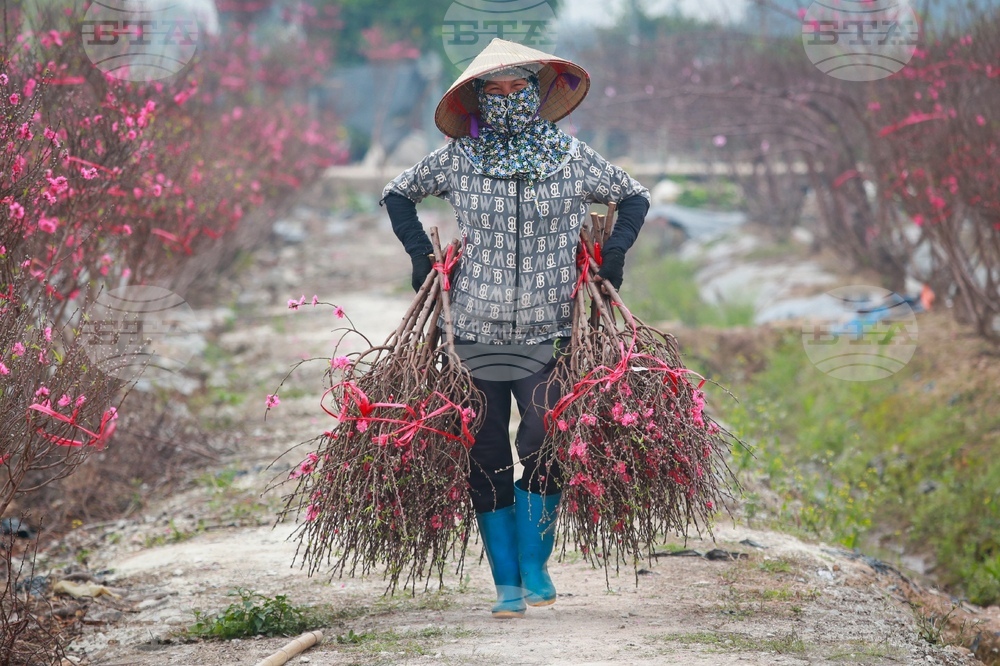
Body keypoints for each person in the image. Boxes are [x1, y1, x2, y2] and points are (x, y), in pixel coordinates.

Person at [381, 38, 650, 619]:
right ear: (477, 100)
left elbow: (634, 197)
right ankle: (507, 582)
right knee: (485, 452)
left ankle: (535, 563)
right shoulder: (457, 158)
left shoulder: (571, 158)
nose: (506, 100)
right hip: (473, 328)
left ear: (537, 93)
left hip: (550, 329)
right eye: (493, 91)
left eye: (517, 89)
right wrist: (418, 258)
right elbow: (397, 193)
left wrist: (616, 255)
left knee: (546, 434)